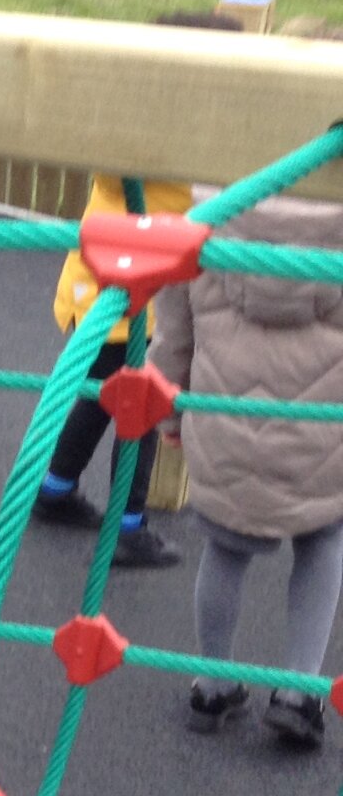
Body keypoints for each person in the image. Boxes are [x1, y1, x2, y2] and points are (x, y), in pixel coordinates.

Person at [31, 10, 244, 570]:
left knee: (98, 396)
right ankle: (129, 528)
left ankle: (54, 489)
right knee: (142, 409)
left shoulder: (124, 120)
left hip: (94, 279)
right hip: (142, 293)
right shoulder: (191, 139)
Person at [150, 193, 343, 748]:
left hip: (226, 416)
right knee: (323, 540)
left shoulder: (211, 212)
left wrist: (168, 407)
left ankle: (213, 684)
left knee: (225, 548)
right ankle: (298, 692)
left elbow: (174, 328)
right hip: (322, 425)